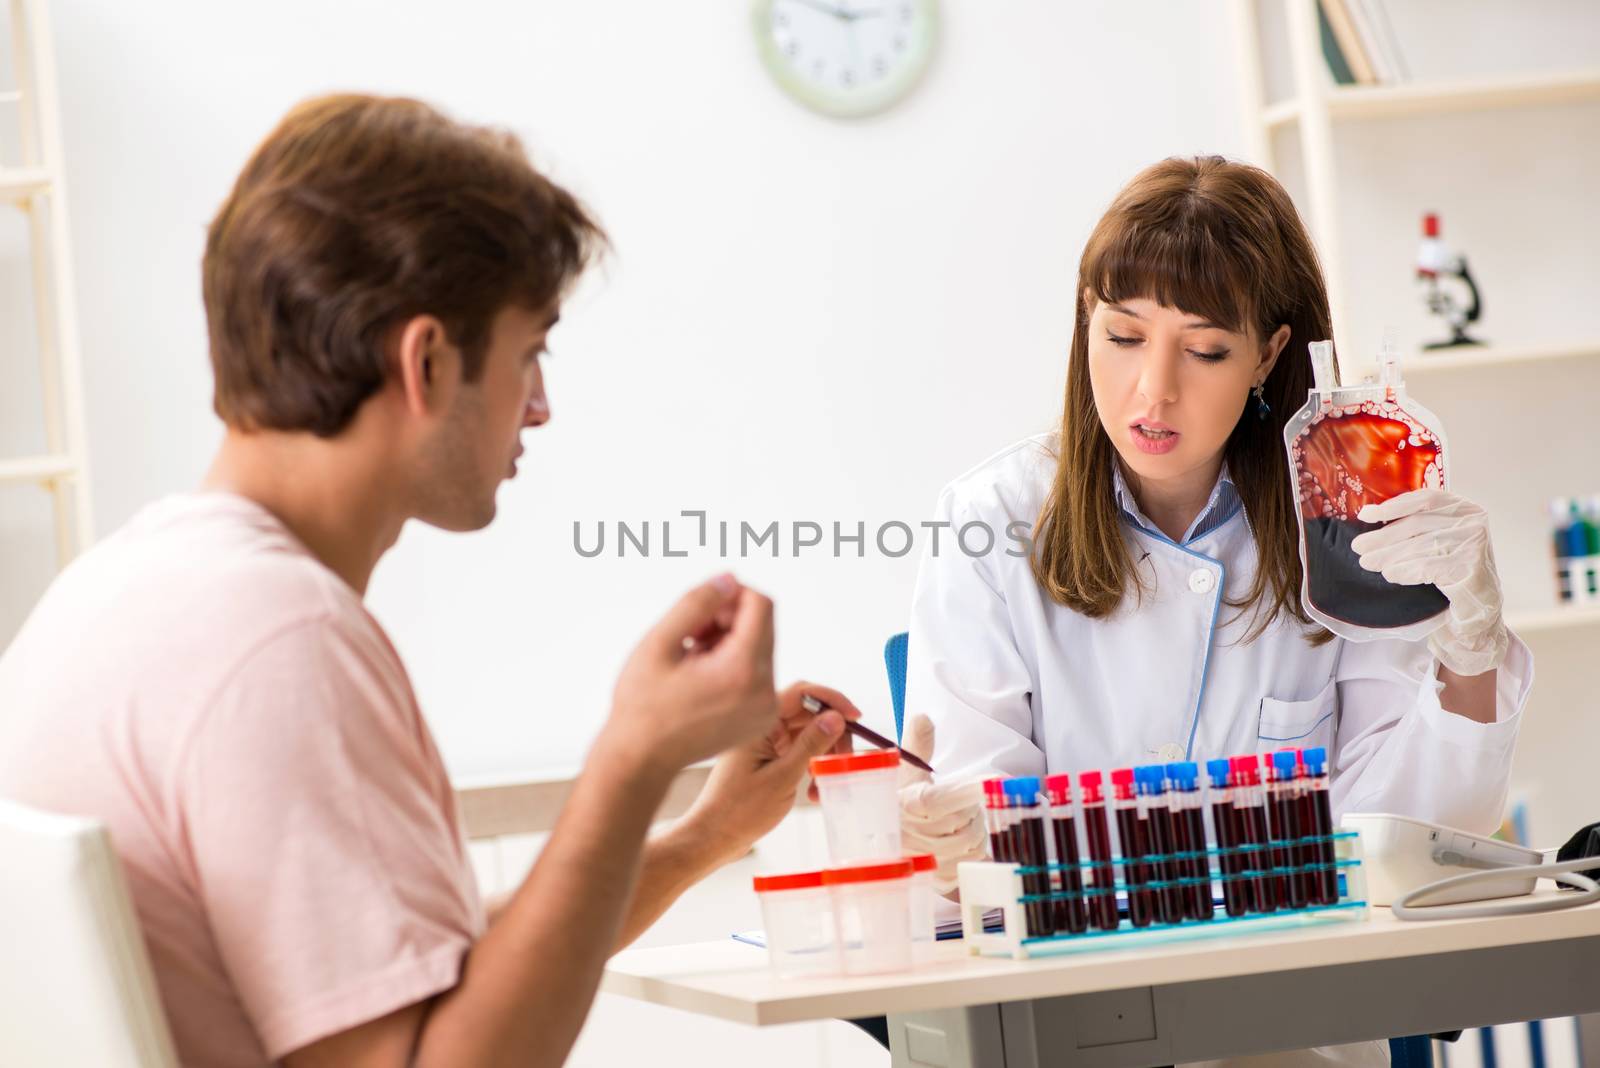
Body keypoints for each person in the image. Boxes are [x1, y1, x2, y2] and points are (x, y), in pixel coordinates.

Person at [0, 94, 863, 1068]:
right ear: (426, 360)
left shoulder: (113, 592)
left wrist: (701, 836)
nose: (539, 409)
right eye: (529, 353)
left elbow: (422, 979)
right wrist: (631, 760)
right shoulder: (279, 640)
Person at [898, 155, 1529, 892]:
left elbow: (1415, 842)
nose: (1154, 391)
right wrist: (950, 838)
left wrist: (1470, 655)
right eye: (1124, 337)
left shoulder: (1342, 523)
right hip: (1081, 970)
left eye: (1204, 350)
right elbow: (979, 839)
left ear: (1267, 354)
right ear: (1085, 320)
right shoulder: (989, 520)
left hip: (1299, 969)